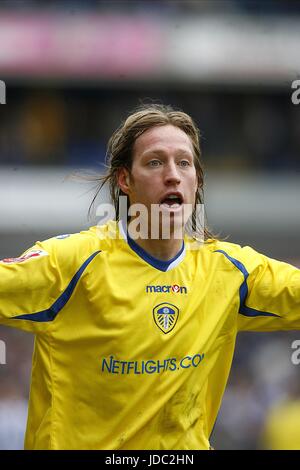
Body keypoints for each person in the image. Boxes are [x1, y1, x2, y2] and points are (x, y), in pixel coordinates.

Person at [0, 103, 299, 450]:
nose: (172, 174)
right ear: (125, 179)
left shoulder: (231, 272)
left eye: (184, 163)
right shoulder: (71, 263)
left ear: (197, 179)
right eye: (155, 162)